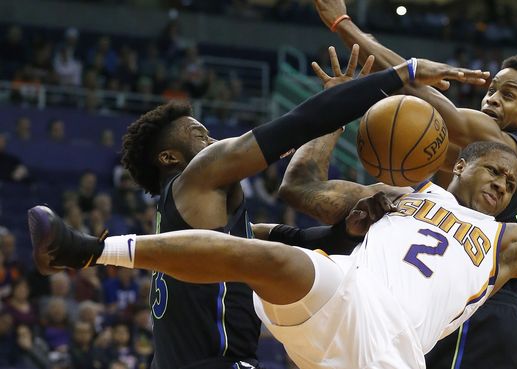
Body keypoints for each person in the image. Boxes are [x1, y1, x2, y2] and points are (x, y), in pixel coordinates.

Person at [29, 103, 517, 368]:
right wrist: (345, 103)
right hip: (342, 296)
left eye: (511, 179)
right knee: (268, 256)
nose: (502, 182)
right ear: (458, 162)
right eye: (493, 167)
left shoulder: (509, 247)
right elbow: (299, 187)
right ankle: (89, 249)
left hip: (390, 352)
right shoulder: (402, 195)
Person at [29, 46, 481, 369]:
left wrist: (348, 231)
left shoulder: (195, 220)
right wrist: (400, 74)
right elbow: (296, 124)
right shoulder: (198, 176)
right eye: (199, 135)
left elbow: (291, 243)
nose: (213, 142)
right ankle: (90, 248)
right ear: (170, 158)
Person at [310, 1, 517, 367]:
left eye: (508, 95)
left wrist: (345, 26)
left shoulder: (508, 146)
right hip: (464, 309)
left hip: (480, 312)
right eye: (492, 90)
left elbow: (417, 92)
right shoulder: (471, 162)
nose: (492, 98)